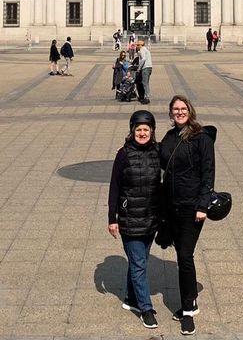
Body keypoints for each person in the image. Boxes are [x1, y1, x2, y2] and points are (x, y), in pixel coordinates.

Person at [160, 95, 216, 336]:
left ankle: (188, 309)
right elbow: (158, 154)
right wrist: (130, 144)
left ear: (190, 111)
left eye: (183, 109)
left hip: (192, 207)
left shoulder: (201, 138)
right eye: (176, 109)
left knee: (184, 255)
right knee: (180, 252)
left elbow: (208, 173)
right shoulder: (170, 137)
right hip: (172, 205)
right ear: (171, 113)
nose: (180, 112)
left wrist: (203, 205)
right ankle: (189, 299)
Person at [108, 110, 162, 330]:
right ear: (132, 131)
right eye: (138, 129)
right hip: (130, 218)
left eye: (146, 129)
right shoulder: (124, 154)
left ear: (152, 131)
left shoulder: (158, 152)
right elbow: (114, 187)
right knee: (139, 263)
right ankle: (145, 308)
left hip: (151, 217)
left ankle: (131, 298)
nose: (142, 133)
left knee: (139, 261)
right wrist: (112, 218)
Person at [136, 39, 153, 105]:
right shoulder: (146, 50)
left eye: (137, 45)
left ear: (141, 45)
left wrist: (139, 68)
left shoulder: (142, 49)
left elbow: (143, 59)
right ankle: (144, 96)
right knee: (146, 83)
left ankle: (146, 98)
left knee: (145, 83)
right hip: (149, 67)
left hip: (145, 68)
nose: (136, 46)